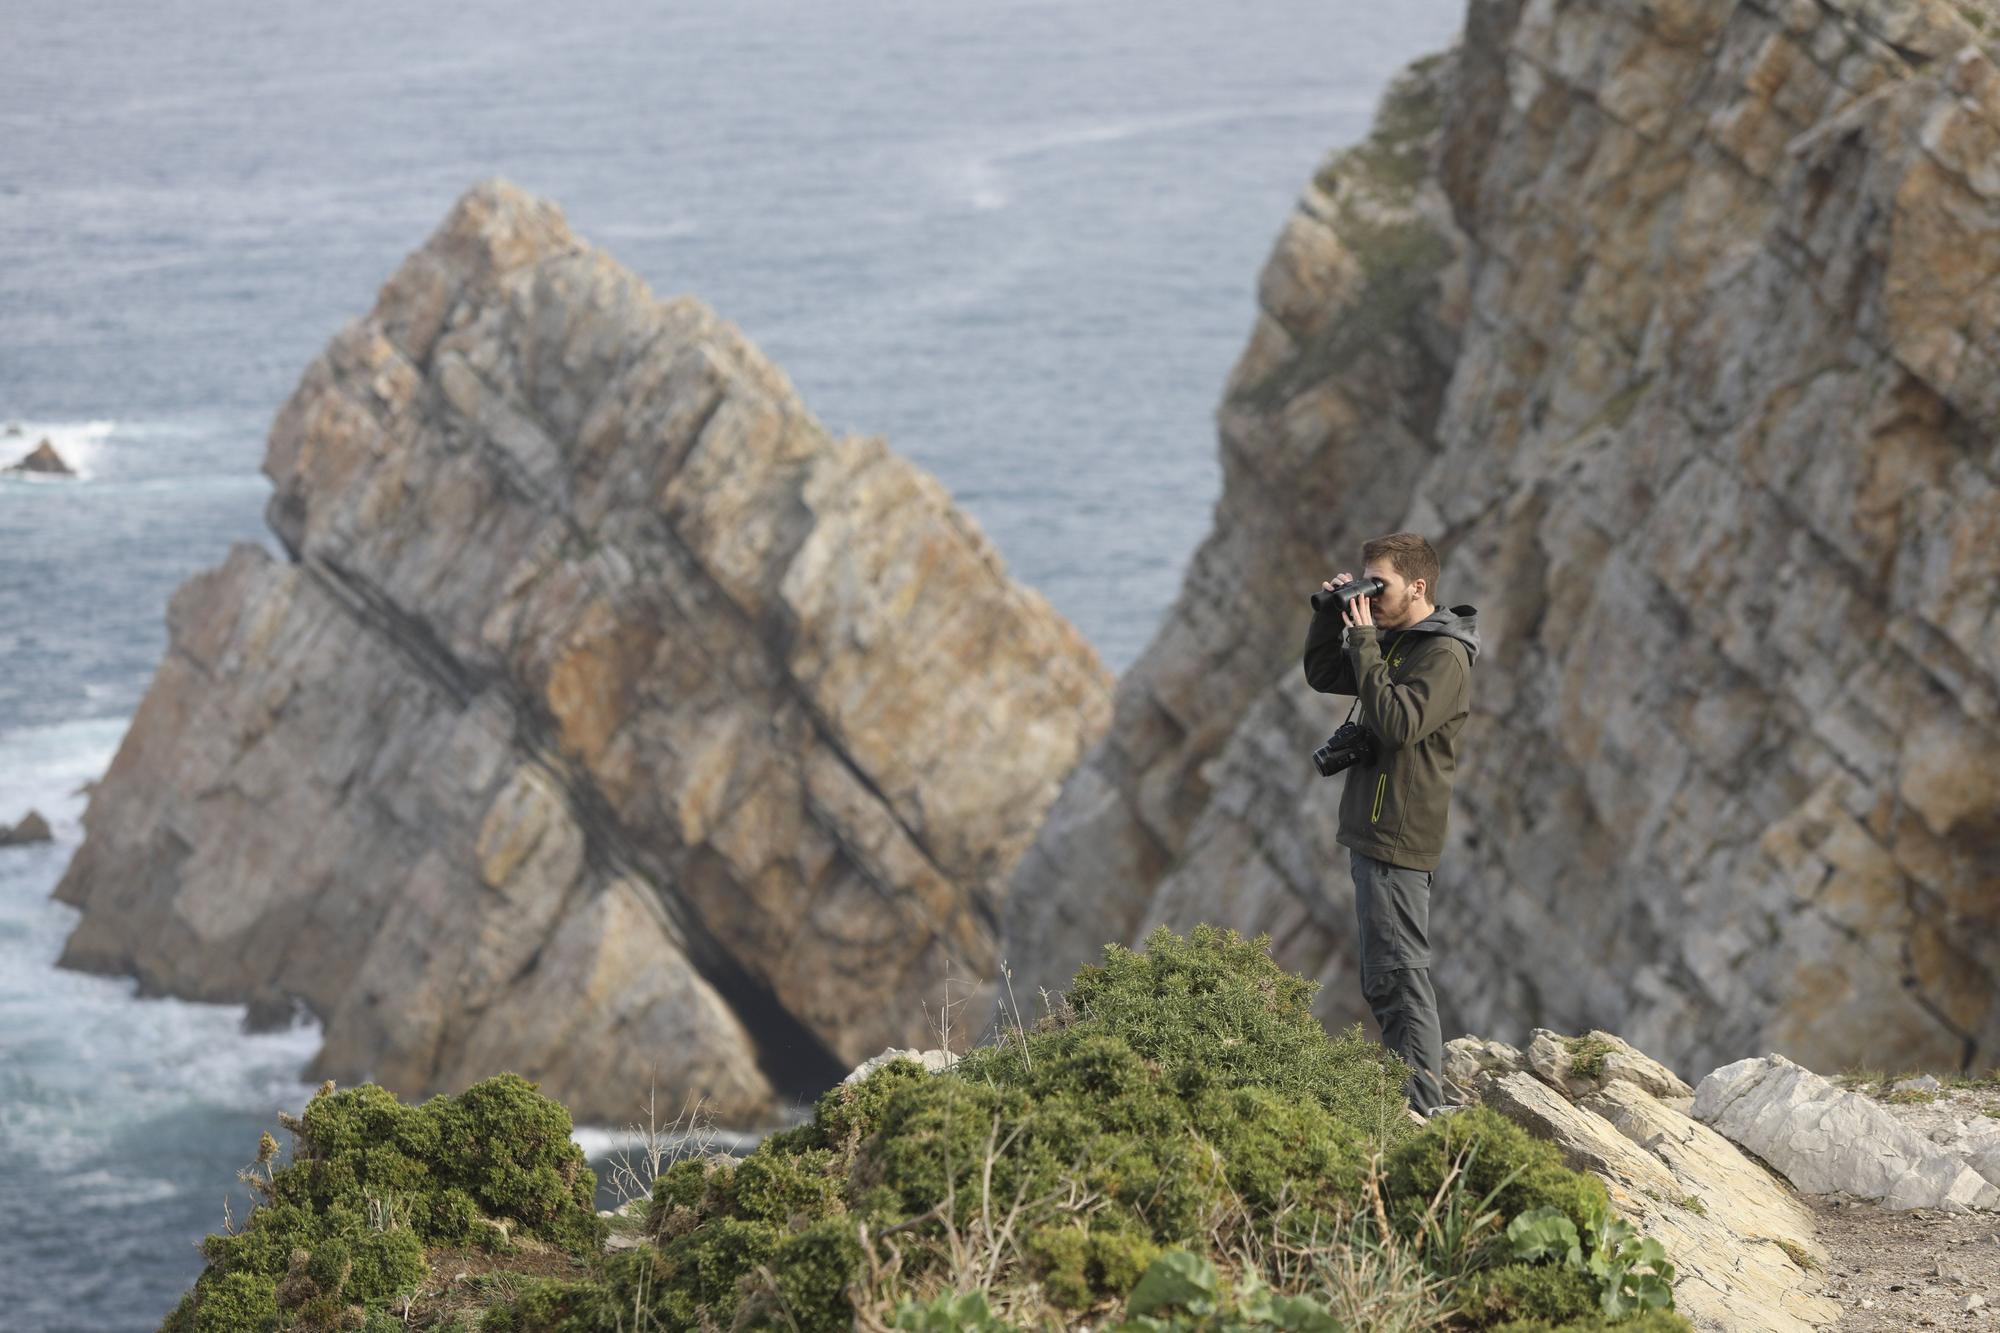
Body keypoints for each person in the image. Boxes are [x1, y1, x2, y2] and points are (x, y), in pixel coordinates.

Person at [1302, 532, 1480, 1118]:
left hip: (1399, 835)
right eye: (1365, 581)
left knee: (1400, 975)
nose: (1371, 595)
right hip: (1373, 829)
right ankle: (1416, 1099)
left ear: (1419, 587)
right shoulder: (1399, 642)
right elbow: (1326, 674)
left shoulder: (1443, 655)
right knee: (1384, 975)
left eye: (1380, 585)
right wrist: (1335, 620)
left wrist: (1366, 640)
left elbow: (1400, 724)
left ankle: (1424, 1109)